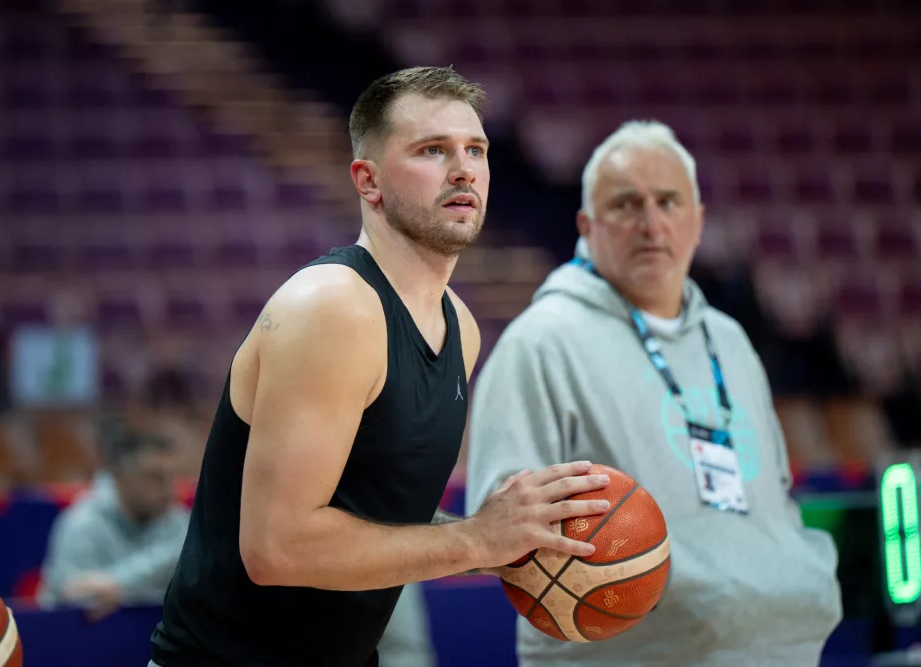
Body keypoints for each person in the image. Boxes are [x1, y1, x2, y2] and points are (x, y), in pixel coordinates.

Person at [149, 66, 611, 667]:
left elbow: (379, 517)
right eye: (432, 150)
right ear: (368, 182)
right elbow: (276, 548)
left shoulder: (461, 327)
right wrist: (472, 540)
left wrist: (504, 535)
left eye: (476, 149)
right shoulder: (333, 307)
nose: (464, 168)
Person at [465, 120, 843, 667]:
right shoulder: (541, 342)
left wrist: (796, 569)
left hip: (780, 646)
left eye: (668, 202)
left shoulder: (729, 339)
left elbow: (775, 494)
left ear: (698, 221)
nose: (651, 223)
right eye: (625, 205)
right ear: (586, 226)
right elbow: (501, 530)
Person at [38, 422, 190, 621]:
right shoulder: (80, 523)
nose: (170, 490)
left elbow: (176, 560)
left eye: (172, 478)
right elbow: (75, 597)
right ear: (121, 476)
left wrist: (117, 584)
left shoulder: (178, 520)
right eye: (155, 478)